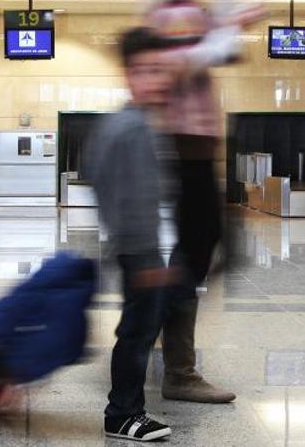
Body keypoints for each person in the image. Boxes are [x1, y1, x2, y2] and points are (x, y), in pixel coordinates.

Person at [140, 0, 264, 405]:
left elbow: (221, 49)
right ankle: (177, 368)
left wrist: (228, 13)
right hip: (184, 140)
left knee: (197, 250)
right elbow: (190, 59)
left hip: (190, 141)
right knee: (197, 251)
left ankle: (152, 332)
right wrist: (230, 14)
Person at [85, 27, 177, 442]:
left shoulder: (135, 123)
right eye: (145, 70)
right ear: (127, 74)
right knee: (136, 336)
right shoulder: (129, 127)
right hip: (139, 251)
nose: (155, 79)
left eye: (160, 70)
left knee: (138, 332)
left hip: (141, 246)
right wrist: (140, 255)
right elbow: (113, 189)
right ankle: (123, 413)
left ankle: (127, 409)